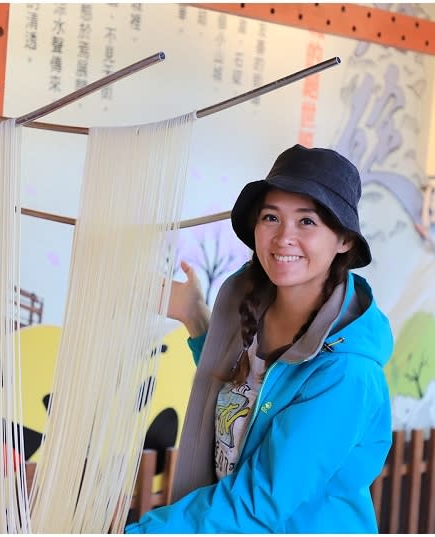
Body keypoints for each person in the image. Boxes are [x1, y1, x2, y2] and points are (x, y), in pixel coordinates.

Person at [125, 144, 394, 533]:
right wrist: (196, 317)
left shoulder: (347, 373)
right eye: (271, 217)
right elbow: (249, 392)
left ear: (344, 241)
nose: (284, 237)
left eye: (307, 222)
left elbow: (261, 500)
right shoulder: (251, 306)